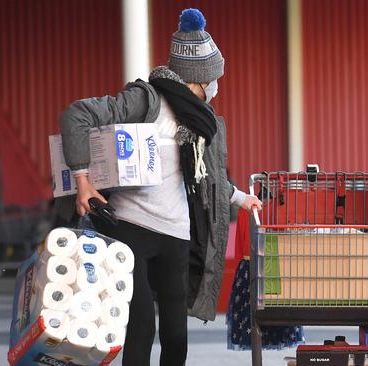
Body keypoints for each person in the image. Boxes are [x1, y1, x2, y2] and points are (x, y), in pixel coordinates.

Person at [58, 8, 261, 365]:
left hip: (176, 233)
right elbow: (76, 115)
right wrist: (83, 181)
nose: (216, 87)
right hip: (131, 229)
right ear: (200, 77)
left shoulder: (201, 122)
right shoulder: (146, 100)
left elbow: (208, 175)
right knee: (139, 329)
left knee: (175, 334)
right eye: (214, 79)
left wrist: (242, 198)